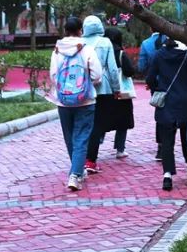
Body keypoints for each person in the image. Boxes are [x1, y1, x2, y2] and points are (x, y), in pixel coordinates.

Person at [146, 37, 187, 191]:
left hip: (166, 103)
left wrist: (157, 91)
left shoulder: (158, 55)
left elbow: (149, 78)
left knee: (167, 140)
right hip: (186, 102)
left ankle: (167, 175)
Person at [51, 16, 102, 191]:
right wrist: (85, 83)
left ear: (65, 30)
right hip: (85, 100)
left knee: (70, 136)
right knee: (81, 137)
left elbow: (53, 75)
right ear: (80, 30)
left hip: (63, 101)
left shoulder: (57, 50)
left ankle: (77, 169)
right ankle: (75, 174)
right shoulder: (86, 49)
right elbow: (97, 75)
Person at [83, 15, 124, 175]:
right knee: (97, 125)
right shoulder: (105, 43)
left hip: (84, 89)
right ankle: (91, 160)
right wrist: (116, 88)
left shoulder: (81, 42)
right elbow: (113, 69)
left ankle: (81, 159)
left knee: (84, 124)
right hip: (103, 90)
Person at [101, 26, 136, 158]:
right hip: (121, 93)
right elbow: (129, 71)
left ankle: (97, 143)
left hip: (104, 90)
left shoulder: (101, 51)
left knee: (102, 119)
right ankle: (120, 149)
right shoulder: (120, 53)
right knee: (123, 121)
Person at [138, 28, 165, 161]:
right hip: (174, 83)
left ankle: (161, 147)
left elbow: (142, 67)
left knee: (160, 111)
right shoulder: (172, 41)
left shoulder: (146, 44)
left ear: (150, 28)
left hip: (156, 84)